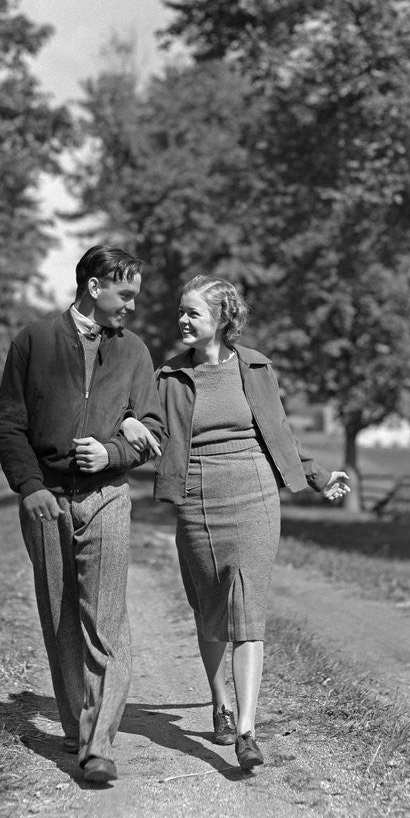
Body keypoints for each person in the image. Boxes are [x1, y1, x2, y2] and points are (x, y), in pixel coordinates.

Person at [127, 275, 349, 771]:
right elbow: (154, 427)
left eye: (193, 313)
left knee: (248, 607)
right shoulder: (169, 378)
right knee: (211, 607)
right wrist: (133, 430)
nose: (182, 320)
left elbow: (279, 430)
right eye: (181, 313)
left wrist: (316, 476)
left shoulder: (255, 367)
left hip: (253, 490)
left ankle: (247, 729)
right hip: (196, 495)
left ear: (223, 320)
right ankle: (219, 697)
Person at [0, 246, 163, 784]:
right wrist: (29, 488)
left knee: (104, 616)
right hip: (46, 499)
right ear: (95, 286)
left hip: (107, 494)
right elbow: (10, 425)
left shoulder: (135, 352)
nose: (133, 306)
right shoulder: (35, 341)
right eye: (126, 294)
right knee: (61, 611)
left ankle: (98, 744)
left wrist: (111, 454)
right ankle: (76, 725)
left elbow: (153, 433)